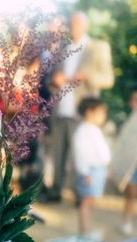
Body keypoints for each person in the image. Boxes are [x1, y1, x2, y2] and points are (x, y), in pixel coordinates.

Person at [46, 11, 114, 202]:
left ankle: (80, 193)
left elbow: (108, 79)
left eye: (77, 24)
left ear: (86, 26)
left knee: (80, 156)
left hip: (82, 112)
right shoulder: (62, 49)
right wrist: (54, 81)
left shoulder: (96, 48)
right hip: (60, 109)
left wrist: (87, 77)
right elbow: (50, 81)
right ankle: (55, 192)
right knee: (57, 154)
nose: (73, 27)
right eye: (71, 23)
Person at [72, 97, 110, 234]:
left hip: (97, 170)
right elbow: (81, 154)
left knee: (90, 202)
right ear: (89, 112)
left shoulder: (93, 129)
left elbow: (100, 151)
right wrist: (85, 173)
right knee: (86, 203)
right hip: (89, 172)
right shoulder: (83, 131)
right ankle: (85, 230)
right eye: (101, 112)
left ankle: (88, 228)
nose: (104, 116)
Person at [111, 90, 137, 235]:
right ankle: (127, 221)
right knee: (130, 194)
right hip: (132, 166)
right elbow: (124, 143)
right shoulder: (131, 120)